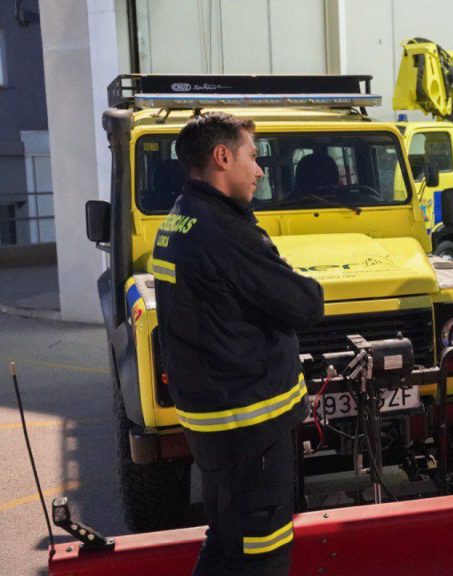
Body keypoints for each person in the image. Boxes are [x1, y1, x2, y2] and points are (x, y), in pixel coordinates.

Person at [151, 112, 324, 576]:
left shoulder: (180, 218)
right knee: (262, 555)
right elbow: (305, 305)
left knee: (227, 542)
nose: (261, 169)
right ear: (222, 156)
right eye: (252, 155)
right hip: (251, 428)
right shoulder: (223, 231)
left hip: (214, 424)